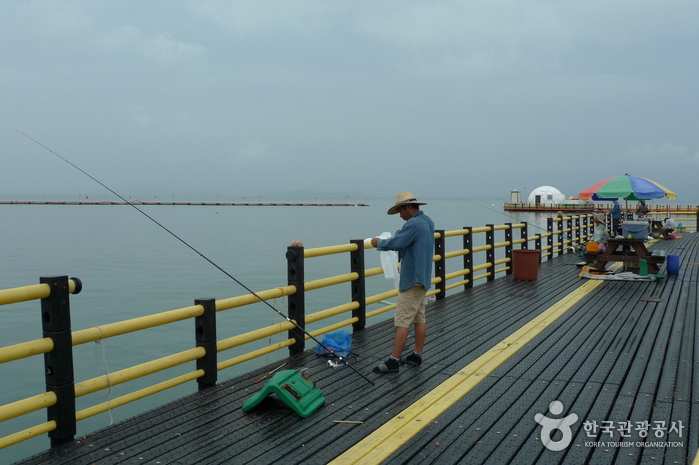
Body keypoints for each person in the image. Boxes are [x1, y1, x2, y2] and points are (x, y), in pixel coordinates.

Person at [370, 191, 435, 373]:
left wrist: (377, 242)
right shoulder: (428, 222)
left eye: (400, 210)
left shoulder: (413, 224)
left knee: (402, 321)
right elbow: (411, 242)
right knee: (419, 318)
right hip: (423, 277)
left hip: (412, 279)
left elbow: (396, 243)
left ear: (408, 207)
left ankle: (393, 360)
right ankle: (416, 355)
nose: (400, 215)